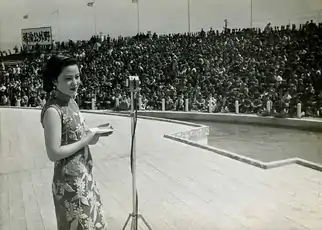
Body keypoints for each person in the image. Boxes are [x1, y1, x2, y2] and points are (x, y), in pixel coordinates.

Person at [40, 55, 108, 230]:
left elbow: (75, 137)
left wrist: (93, 133)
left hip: (84, 176)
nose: (75, 82)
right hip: (69, 184)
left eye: (77, 76)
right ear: (55, 81)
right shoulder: (53, 111)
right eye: (68, 78)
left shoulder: (72, 102)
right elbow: (53, 153)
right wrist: (86, 139)